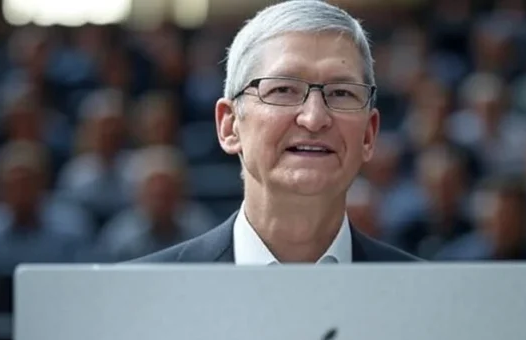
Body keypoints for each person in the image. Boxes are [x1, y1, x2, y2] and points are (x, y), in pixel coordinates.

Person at [133, 0, 419, 264]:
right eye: (283, 90)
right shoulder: (141, 292)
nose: (314, 118)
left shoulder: (429, 293)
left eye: (341, 93)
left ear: (369, 134)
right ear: (229, 126)